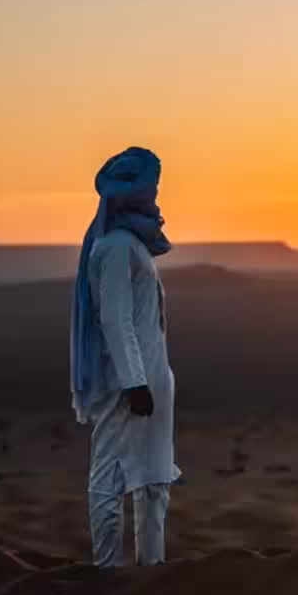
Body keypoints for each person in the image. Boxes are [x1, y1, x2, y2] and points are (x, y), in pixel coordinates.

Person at [70, 147, 180, 567]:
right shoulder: (115, 246)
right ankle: (108, 571)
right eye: (151, 186)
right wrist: (135, 383)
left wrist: (151, 380)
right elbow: (115, 320)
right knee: (110, 474)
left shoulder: (134, 244)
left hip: (151, 377)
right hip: (127, 382)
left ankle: (153, 569)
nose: (156, 194)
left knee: (154, 478)